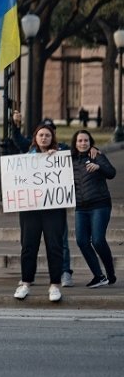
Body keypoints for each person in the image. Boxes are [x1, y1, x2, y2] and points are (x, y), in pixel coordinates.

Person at [15, 124, 68, 302]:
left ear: (52, 138)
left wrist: (56, 156)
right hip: (30, 208)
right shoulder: (27, 156)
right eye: (40, 135)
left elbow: (76, 154)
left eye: (47, 135)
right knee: (29, 246)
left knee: (54, 245)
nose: (44, 138)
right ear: (35, 138)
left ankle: (54, 285)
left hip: (53, 209)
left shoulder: (61, 155)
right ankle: (26, 283)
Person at [70, 130, 117, 288]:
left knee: (97, 240)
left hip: (100, 204)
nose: (83, 143)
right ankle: (99, 276)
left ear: (90, 142)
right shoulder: (70, 159)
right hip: (81, 207)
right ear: (75, 143)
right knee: (82, 241)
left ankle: (110, 273)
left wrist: (98, 167)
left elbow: (111, 173)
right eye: (80, 141)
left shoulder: (96, 155)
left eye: (86, 140)